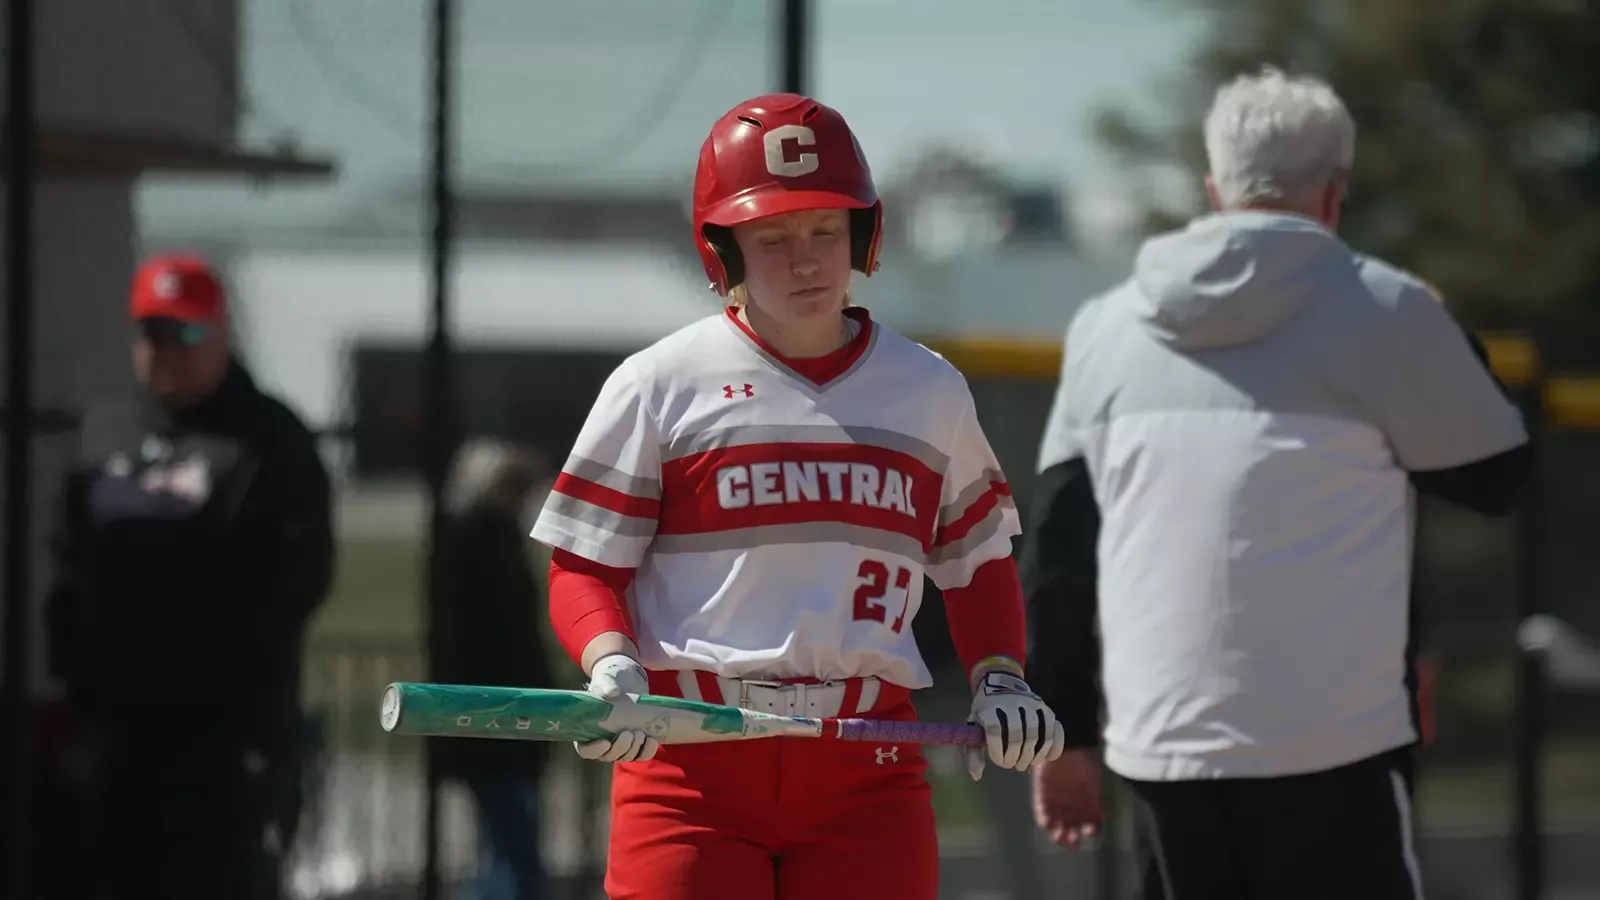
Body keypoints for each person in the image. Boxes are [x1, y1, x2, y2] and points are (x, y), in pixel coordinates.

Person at [528, 93, 1067, 900]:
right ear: (724, 250)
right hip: (691, 757)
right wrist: (611, 665)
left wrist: (1000, 674)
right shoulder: (658, 384)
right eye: (773, 238)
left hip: (868, 762)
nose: (807, 260)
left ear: (864, 233)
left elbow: (977, 563)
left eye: (825, 231)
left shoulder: (930, 391)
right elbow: (584, 567)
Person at [1022, 67, 1534, 899]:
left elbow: (1057, 550)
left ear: (1215, 189)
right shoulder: (1385, 309)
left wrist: (1065, 732)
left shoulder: (1101, 329)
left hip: (1161, 746)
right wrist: (1446, 337)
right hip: (1333, 745)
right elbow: (1498, 474)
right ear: (1334, 195)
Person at [44, 253, 335, 900]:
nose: (169, 351)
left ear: (222, 333)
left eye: (188, 333)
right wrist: (80, 693)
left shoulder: (270, 439)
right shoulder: (106, 433)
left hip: (228, 740)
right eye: (153, 334)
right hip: (117, 735)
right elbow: (69, 566)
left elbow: (298, 577)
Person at [430, 439, 554, 900]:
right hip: (502, 715)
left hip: (495, 715)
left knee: (504, 844)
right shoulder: (485, 541)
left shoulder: (471, 539)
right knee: (513, 846)